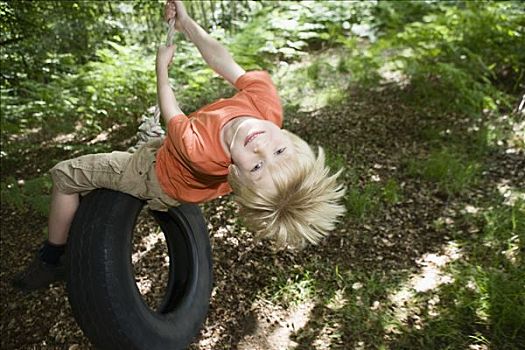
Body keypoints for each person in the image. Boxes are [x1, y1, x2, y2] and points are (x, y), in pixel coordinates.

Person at [13, 0, 345, 291]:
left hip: (155, 176)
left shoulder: (197, 149)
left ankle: (52, 256)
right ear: (290, 139)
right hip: (177, 158)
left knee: (64, 175)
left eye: (257, 166)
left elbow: (171, 110)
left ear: (236, 173)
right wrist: (186, 23)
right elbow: (220, 59)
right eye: (279, 152)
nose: (261, 149)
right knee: (156, 145)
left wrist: (162, 68)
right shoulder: (267, 106)